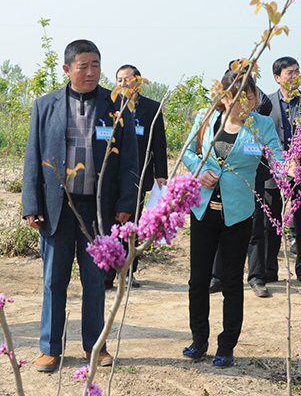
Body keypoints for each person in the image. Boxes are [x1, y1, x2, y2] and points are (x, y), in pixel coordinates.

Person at [23, 40, 139, 372]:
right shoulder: (46, 106)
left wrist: (126, 202)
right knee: (53, 281)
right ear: (67, 69)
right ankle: (49, 347)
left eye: (96, 65)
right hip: (56, 209)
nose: (91, 72)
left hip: (97, 211)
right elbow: (33, 158)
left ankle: (95, 346)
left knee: (94, 281)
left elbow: (130, 159)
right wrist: (32, 204)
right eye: (83, 66)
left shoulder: (116, 106)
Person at [182, 67, 283, 367]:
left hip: (237, 215)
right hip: (202, 211)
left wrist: (289, 169)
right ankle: (199, 339)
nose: (246, 103)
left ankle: (226, 344)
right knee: (198, 280)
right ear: (225, 98)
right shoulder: (205, 118)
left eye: (250, 97)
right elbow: (188, 152)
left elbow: (276, 156)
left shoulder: (261, 125)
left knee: (231, 282)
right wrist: (200, 171)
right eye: (239, 97)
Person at [247, 57, 301, 292]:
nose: (295, 76)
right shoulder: (266, 104)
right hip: (271, 173)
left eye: (298, 71)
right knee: (269, 223)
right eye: (289, 72)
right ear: (277, 77)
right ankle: (268, 269)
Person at [104, 64, 168, 289]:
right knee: (110, 223)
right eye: (119, 80)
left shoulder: (151, 108)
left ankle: (130, 271)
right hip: (111, 176)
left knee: (132, 225)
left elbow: (159, 142)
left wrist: (161, 174)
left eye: (127, 80)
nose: (122, 84)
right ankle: (107, 274)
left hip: (139, 176)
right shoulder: (108, 105)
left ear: (138, 82)